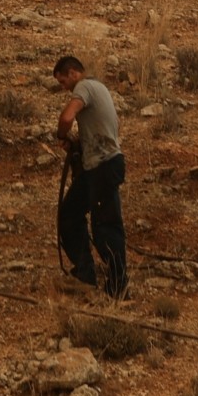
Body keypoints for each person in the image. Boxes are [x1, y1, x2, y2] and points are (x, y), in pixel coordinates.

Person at [53, 54, 127, 298]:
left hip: (102, 167)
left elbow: (66, 117)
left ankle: (118, 289)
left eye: (64, 82)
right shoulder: (101, 88)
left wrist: (62, 135)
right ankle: (85, 275)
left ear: (73, 73)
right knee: (70, 214)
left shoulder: (84, 86)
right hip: (98, 166)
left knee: (105, 226)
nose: (65, 88)